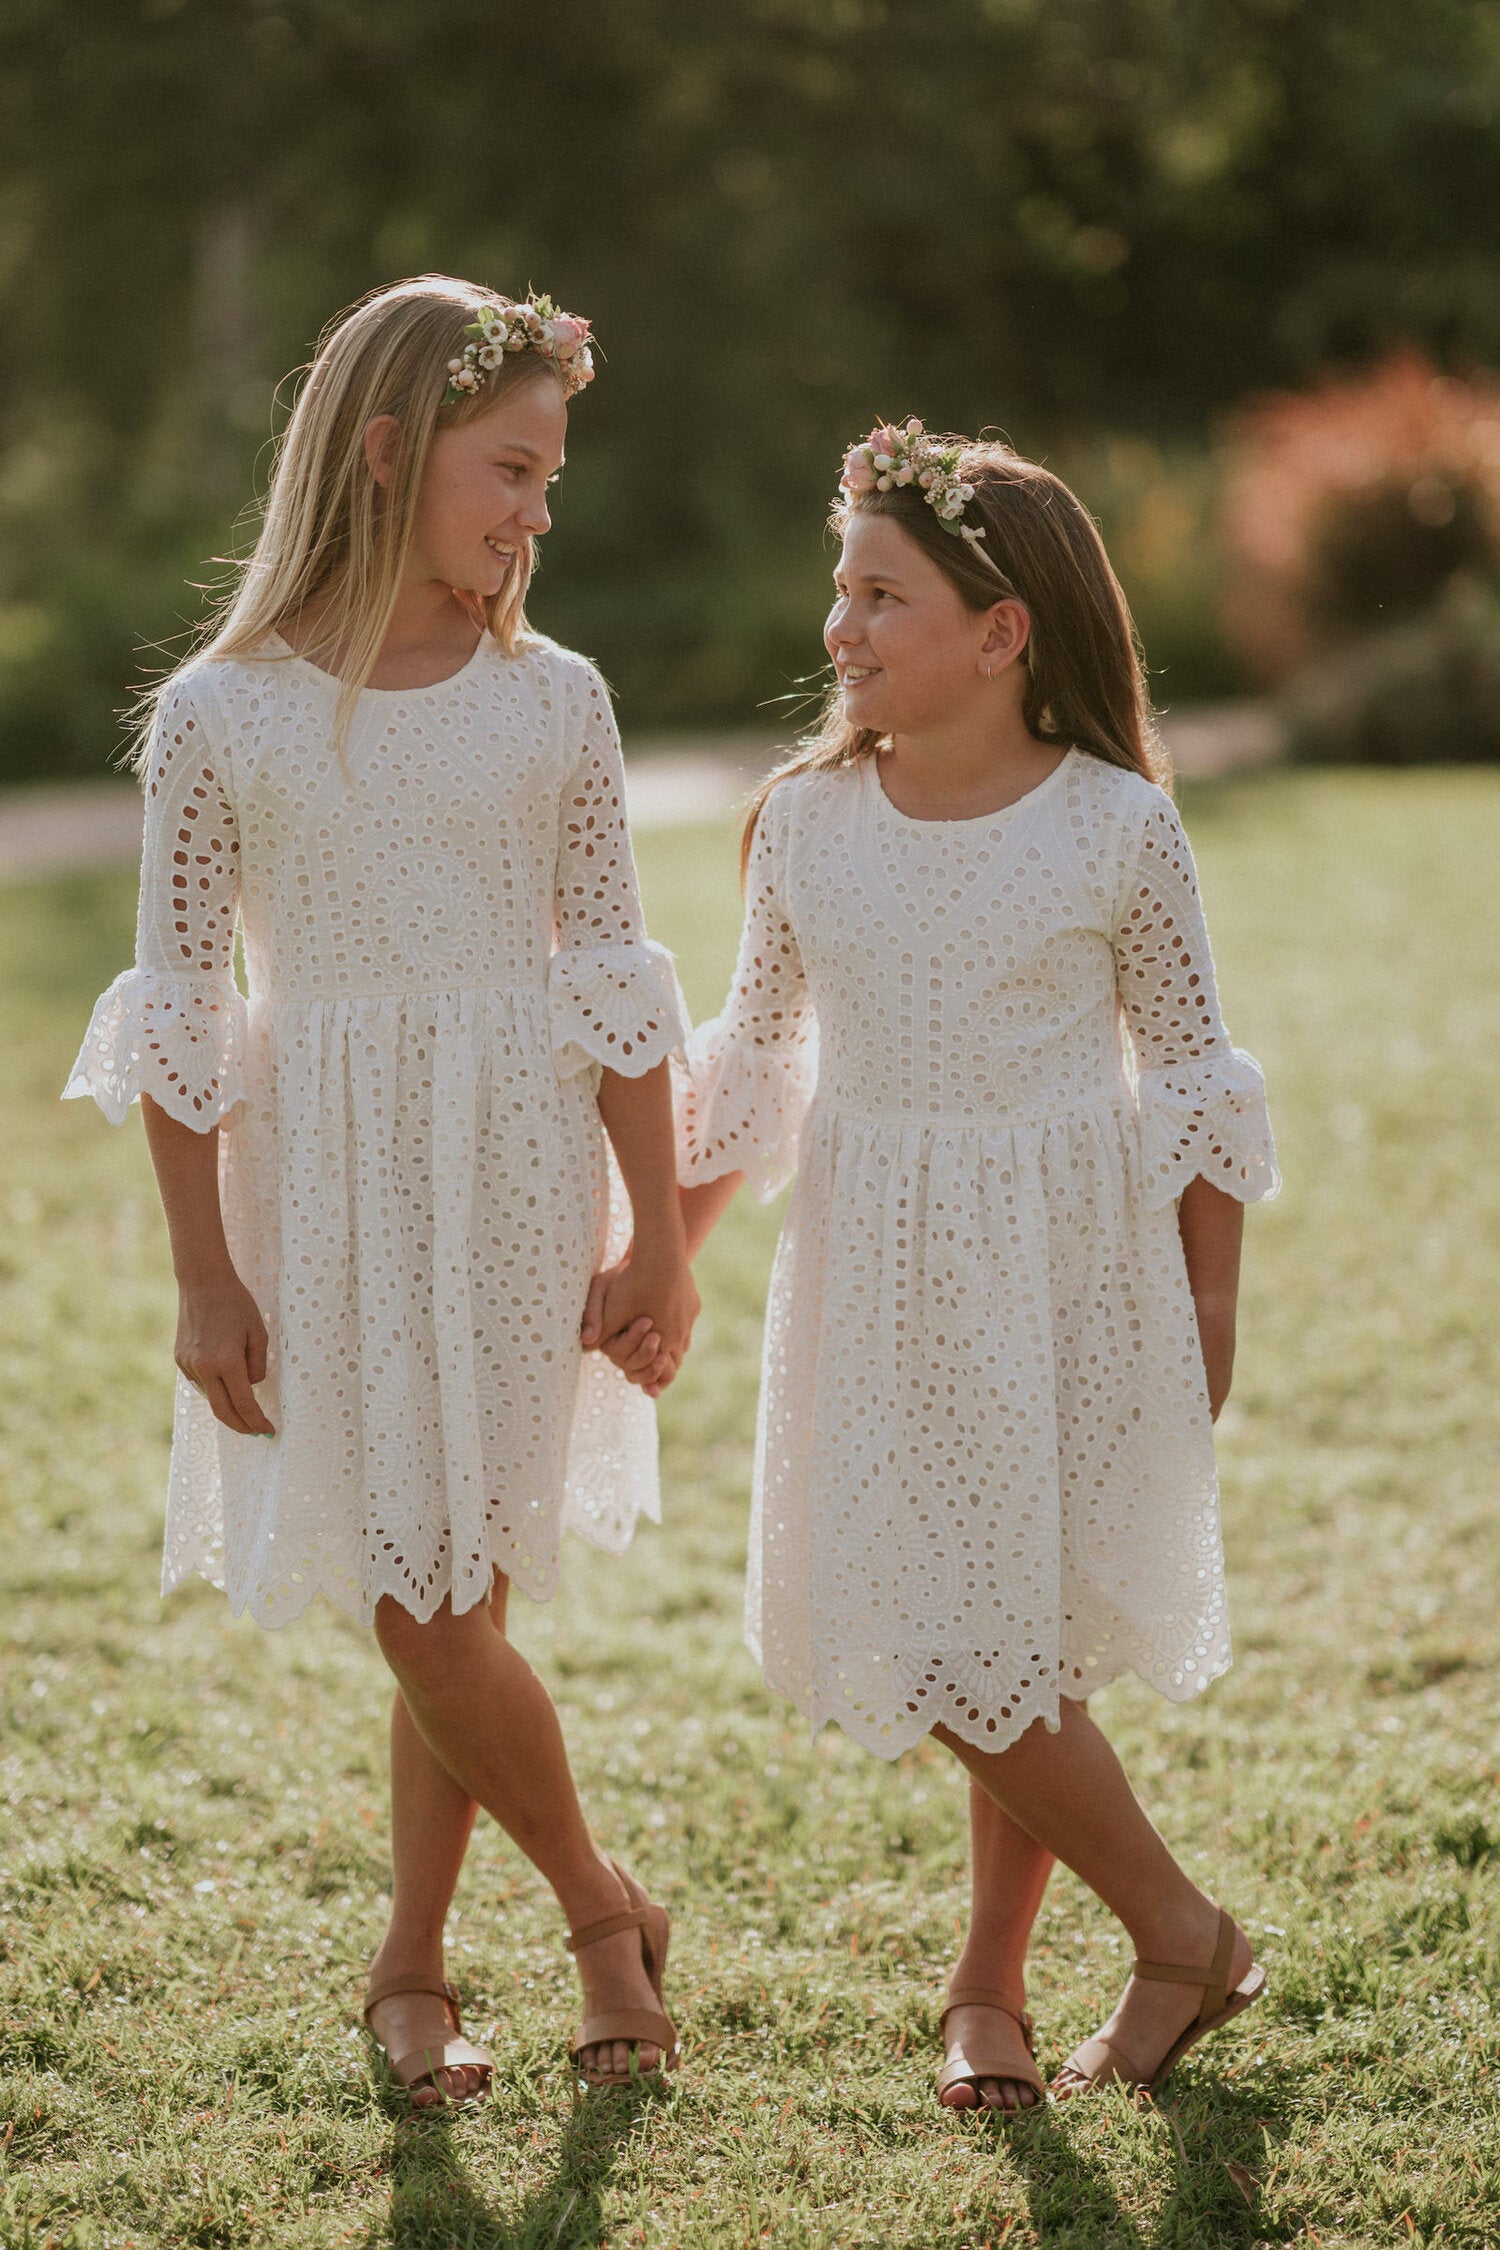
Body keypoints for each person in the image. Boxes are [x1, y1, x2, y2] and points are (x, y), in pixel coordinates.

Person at [65, 276, 697, 2105]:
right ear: (387, 449)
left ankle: (410, 1962)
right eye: (511, 467)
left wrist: (656, 1225)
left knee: (456, 1591)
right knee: (414, 1598)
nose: (536, 512)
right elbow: (182, 1009)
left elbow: (617, 979)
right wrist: (201, 1276)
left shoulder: (551, 700)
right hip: (325, 1194)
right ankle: (601, 1905)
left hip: (514, 1173)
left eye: (553, 479)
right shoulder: (219, 716)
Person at [598, 419, 1280, 2113]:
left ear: (1003, 629)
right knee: (941, 1618)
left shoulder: (1119, 830)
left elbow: (1195, 1076)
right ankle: (1148, 1935)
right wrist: (660, 1267)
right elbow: (746, 1077)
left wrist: (1208, 1310)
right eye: (840, 586)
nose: (840, 625)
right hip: (878, 1274)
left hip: (1064, 1274)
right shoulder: (809, 826)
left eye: (882, 593)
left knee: (1011, 1627)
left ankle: (1054, 1966)